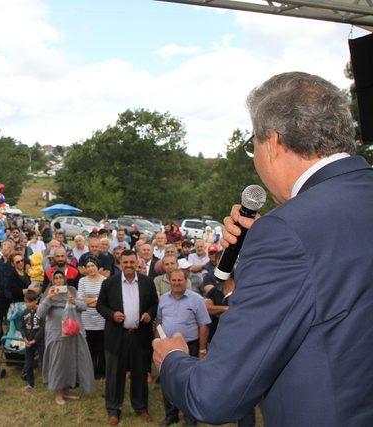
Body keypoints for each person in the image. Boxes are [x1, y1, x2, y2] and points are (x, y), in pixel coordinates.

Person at [154, 72, 373, 426]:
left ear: (271, 142)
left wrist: (174, 360)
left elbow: (214, 397)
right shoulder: (294, 229)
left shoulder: (286, 233)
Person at [97, 249, 158, 425]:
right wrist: (112, 314)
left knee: (139, 373)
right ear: (120, 263)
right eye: (126, 262)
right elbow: (100, 306)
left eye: (132, 262)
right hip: (117, 336)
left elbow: (155, 304)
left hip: (139, 336)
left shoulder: (147, 282)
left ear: (137, 262)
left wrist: (148, 313)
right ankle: (114, 409)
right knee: (115, 374)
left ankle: (140, 407)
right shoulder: (110, 283)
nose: (129, 265)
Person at [157, 269, 211, 426]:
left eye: (179, 280)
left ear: (186, 281)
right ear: (169, 280)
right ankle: (171, 415)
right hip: (169, 347)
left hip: (190, 346)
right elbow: (159, 322)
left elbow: (203, 325)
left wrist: (202, 350)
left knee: (189, 382)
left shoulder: (196, 299)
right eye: (173, 280)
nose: (176, 283)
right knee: (168, 381)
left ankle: (190, 417)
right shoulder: (164, 299)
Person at [38, 270, 96, 405]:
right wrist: (49, 298)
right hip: (57, 334)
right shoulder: (48, 293)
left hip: (73, 333)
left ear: (64, 280)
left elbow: (84, 306)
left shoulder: (72, 291)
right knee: (58, 362)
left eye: (61, 278)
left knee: (70, 361)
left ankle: (66, 390)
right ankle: (58, 393)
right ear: (52, 281)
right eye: (56, 278)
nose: (58, 280)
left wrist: (74, 301)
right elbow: (40, 313)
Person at [76, 256, 106, 380]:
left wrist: (89, 300)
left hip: (101, 319)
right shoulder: (82, 281)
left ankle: (102, 372)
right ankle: (91, 372)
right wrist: (96, 300)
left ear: (97, 267)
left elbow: (104, 299)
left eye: (93, 265)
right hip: (86, 319)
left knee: (102, 348)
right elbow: (79, 299)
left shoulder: (105, 280)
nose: (91, 268)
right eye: (88, 266)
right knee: (90, 348)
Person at [20, 289, 45, 390]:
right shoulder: (23, 312)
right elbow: (22, 327)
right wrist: (25, 338)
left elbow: (43, 327)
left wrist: (35, 339)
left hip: (39, 341)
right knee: (29, 363)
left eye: (30, 301)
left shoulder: (41, 312)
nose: (28, 304)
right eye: (26, 302)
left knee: (44, 361)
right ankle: (30, 384)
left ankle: (48, 380)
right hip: (28, 342)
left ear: (36, 300)